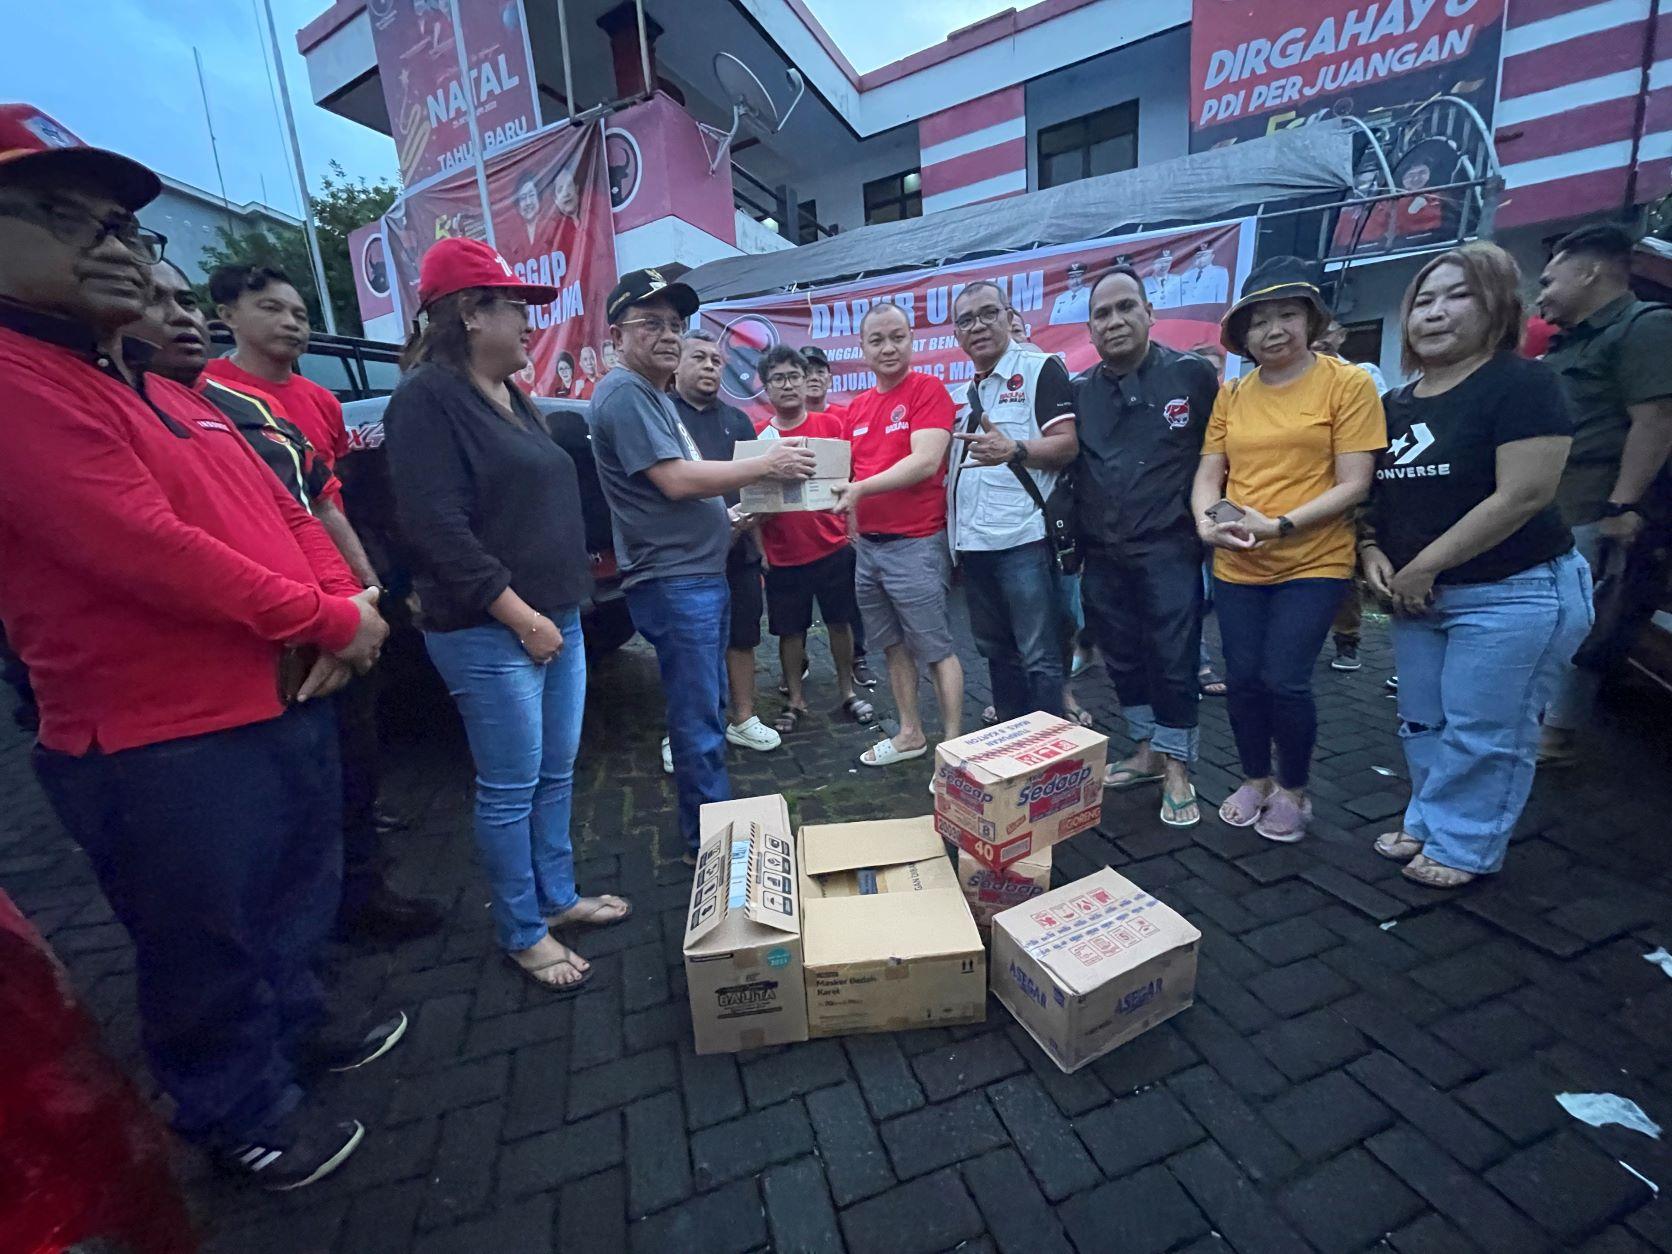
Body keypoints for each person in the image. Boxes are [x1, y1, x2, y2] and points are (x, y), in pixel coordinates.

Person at [0, 107, 395, 1189]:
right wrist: (332, 621)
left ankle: (292, 1036)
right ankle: (236, 1112)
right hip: (156, 744)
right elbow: (147, 550)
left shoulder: (159, 388)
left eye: (125, 225)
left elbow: (284, 512)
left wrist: (345, 608)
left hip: (278, 703)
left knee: (288, 906)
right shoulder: (16, 381)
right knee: (202, 947)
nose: (115, 247)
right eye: (61, 216)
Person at [127, 259, 445, 943]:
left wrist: (365, 598)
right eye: (272, 308)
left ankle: (361, 893)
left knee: (354, 761)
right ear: (229, 317)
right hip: (266, 629)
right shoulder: (195, 395)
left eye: (300, 310)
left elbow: (323, 505)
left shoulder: (308, 403)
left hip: (335, 605)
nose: (293, 320)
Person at [383, 237, 627, 989]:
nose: (529, 325)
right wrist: (522, 617)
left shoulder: (512, 395)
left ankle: (555, 898)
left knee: (555, 774)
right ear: (466, 314)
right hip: (493, 632)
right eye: (514, 308)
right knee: (509, 787)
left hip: (557, 618)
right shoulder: (425, 399)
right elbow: (436, 528)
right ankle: (522, 929)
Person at [1359, 243, 1591, 888]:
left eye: (1457, 295)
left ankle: (1466, 845)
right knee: (1423, 721)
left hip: (1513, 592)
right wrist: (1373, 551)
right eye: (1423, 301)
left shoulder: (1522, 382)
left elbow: (1524, 493)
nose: (1435, 313)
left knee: (1487, 730)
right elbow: (1377, 497)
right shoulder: (1397, 403)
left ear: (1496, 305)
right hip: (1421, 597)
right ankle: (1429, 819)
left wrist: (1421, 566)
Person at [588, 269, 815, 861]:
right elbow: (676, 480)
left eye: (675, 323)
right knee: (697, 721)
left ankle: (711, 832)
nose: (668, 335)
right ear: (617, 335)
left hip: (695, 574)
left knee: (706, 710)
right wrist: (766, 465)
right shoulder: (624, 393)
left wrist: (735, 517)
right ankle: (708, 847)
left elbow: (690, 492)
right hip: (675, 581)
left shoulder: (654, 396)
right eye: (651, 324)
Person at [1192, 257, 1385, 842]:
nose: (1273, 330)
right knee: (1244, 677)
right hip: (1238, 557)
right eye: (1258, 321)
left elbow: (1355, 483)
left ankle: (1295, 790)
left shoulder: (1347, 384)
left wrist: (1279, 524)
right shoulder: (1232, 393)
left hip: (1313, 558)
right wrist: (1206, 521)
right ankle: (1255, 779)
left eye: (1287, 315)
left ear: (1311, 321)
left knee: (1285, 679)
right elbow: (1210, 471)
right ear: (1242, 335)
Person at [1073, 266, 1219, 827]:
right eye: (1102, 313)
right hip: (1101, 553)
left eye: (1126, 307)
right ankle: (1146, 751)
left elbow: (1222, 458)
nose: (1115, 321)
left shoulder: (1191, 377)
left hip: (1169, 548)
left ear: (1149, 313)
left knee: (1173, 659)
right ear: (1089, 329)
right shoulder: (1080, 390)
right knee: (1124, 658)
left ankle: (1179, 768)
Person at [1537, 224, 1672, 766]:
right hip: (1559, 502)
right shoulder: (1576, 339)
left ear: (1590, 270)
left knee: (1582, 621)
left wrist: (1623, 505)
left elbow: (1656, 421)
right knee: (1552, 619)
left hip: (1597, 505)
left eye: (1550, 278)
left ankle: (1557, 734)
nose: (1541, 292)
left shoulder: (1645, 327)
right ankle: (1544, 721)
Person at [833, 302, 963, 766]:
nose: (888, 347)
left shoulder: (928, 391)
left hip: (916, 544)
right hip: (869, 549)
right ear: (862, 349)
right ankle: (910, 733)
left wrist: (861, 489)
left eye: (897, 337)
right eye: (877, 340)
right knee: (891, 645)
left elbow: (925, 461)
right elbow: (844, 471)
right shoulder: (858, 409)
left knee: (937, 649)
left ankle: (952, 747)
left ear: (911, 340)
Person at [948, 280, 1077, 724]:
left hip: (1024, 540)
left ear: (1008, 315)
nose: (978, 326)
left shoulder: (1042, 368)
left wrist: (1016, 449)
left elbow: (1067, 446)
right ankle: (1010, 751)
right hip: (975, 543)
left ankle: (1049, 763)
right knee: (997, 653)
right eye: (966, 320)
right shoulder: (968, 392)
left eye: (988, 313)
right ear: (956, 333)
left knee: (1040, 655)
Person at [670, 328, 782, 755]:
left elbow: (753, 485)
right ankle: (686, 729)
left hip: (740, 550)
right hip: (688, 556)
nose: (710, 367)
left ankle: (743, 717)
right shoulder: (664, 415)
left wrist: (758, 536)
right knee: (691, 645)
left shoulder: (737, 420)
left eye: (716, 361)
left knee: (743, 635)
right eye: (698, 358)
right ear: (676, 365)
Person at [752, 345, 874, 730]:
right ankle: (796, 701)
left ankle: (847, 692)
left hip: (832, 547)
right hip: (782, 552)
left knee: (841, 622)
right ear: (766, 388)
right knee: (789, 631)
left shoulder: (832, 427)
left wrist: (851, 529)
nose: (787, 385)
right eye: (778, 379)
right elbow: (751, 499)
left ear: (806, 382)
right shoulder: (759, 438)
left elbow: (849, 483)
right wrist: (760, 550)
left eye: (794, 376)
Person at [1312, 319, 1390, 674]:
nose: (1320, 338)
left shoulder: (1360, 376)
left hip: (1349, 491)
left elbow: (1376, 429)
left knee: (1345, 572)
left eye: (1327, 331)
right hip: (1301, 495)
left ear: (1341, 336)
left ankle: (1348, 641)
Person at [803, 343, 875, 689]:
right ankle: (796, 665)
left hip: (837, 529)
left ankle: (857, 658)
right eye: (806, 370)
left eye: (819, 370)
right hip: (795, 534)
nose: (813, 376)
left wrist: (854, 522)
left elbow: (856, 472)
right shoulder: (781, 420)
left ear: (829, 377)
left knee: (848, 603)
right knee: (794, 613)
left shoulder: (845, 417)